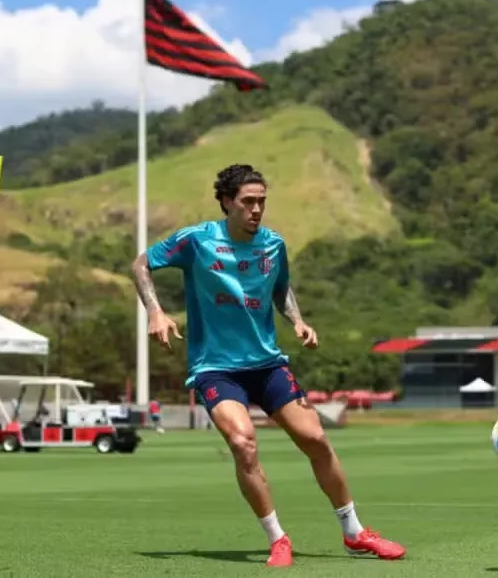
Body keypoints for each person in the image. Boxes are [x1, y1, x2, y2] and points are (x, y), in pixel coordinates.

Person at [131, 164, 405, 567]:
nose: (256, 209)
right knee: (243, 443)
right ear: (227, 202)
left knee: (315, 440)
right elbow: (140, 265)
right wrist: (155, 312)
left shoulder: (274, 245)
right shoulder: (196, 240)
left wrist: (297, 320)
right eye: (248, 202)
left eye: (261, 202)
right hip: (216, 368)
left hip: (267, 365)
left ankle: (355, 533)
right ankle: (278, 538)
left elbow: (280, 288)